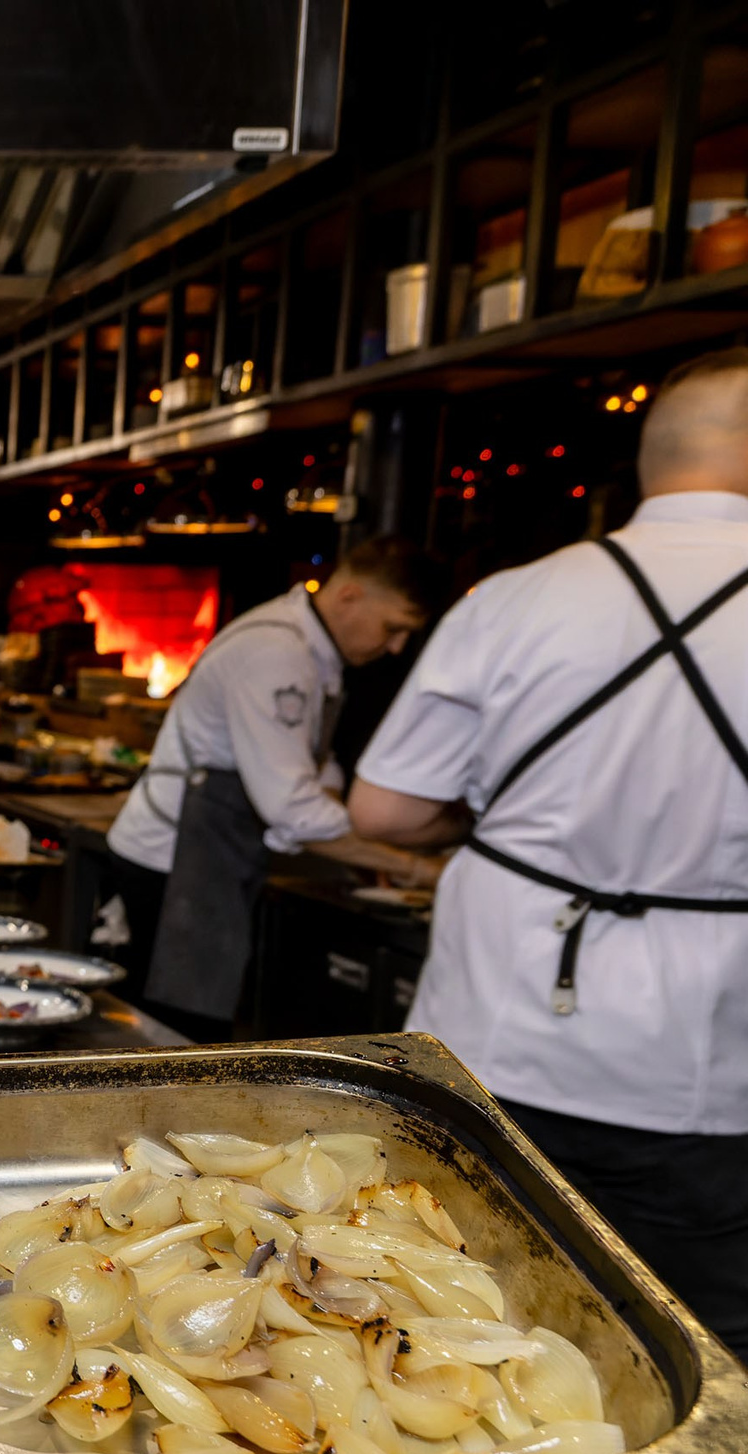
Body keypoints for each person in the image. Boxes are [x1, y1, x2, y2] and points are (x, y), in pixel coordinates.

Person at [350, 346, 748, 1357]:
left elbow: (388, 810)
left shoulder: (515, 598)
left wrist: (497, 824)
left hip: (490, 1034)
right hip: (699, 1070)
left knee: (453, 1314)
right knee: (689, 1342)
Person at [103, 537, 447, 1033]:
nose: (395, 647)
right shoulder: (276, 653)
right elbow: (293, 807)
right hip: (174, 862)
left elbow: (315, 773)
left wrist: (366, 848)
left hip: (209, 855)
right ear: (350, 595)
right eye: (393, 628)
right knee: (176, 1032)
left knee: (195, 1029)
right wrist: (415, 866)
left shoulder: (313, 652)